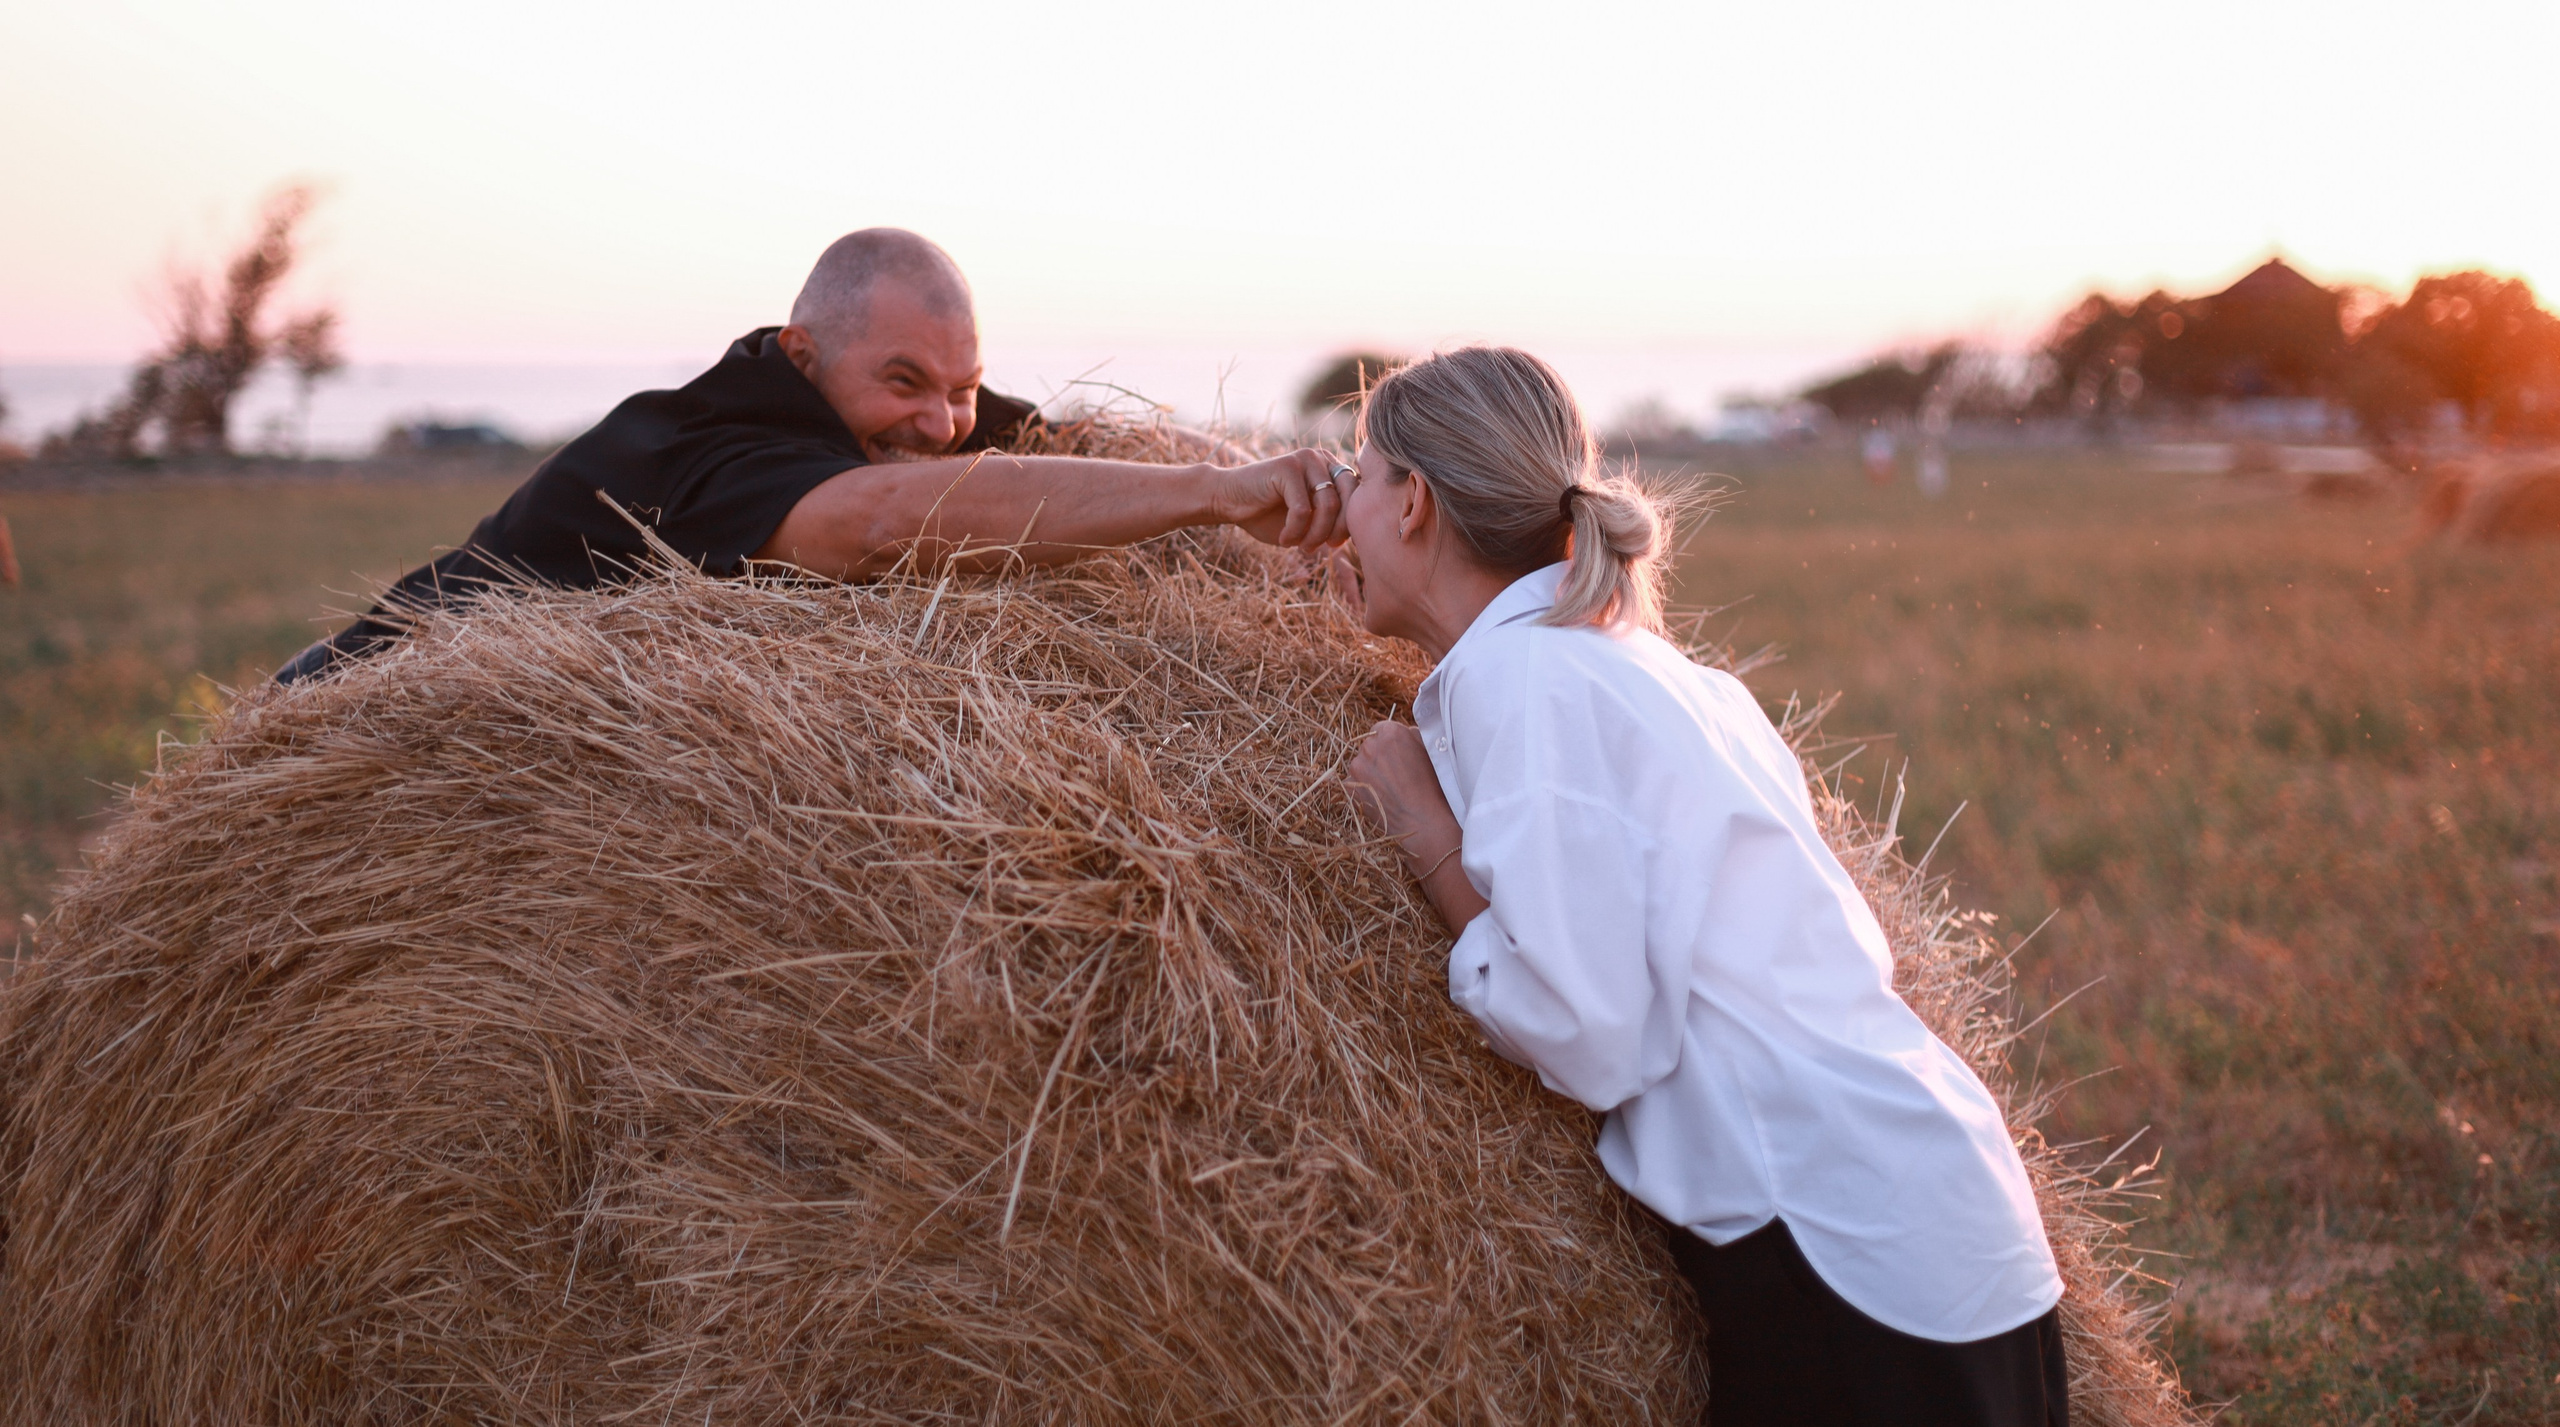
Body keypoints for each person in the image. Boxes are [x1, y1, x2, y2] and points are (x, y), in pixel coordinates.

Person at [1333, 347, 2066, 1427]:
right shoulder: (1633, 663)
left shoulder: (1523, 678)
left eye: (1355, 475)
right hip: (1936, 1218)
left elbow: (1590, 1031)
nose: (1339, 506)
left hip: (1839, 1249)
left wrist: (1425, 834)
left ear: (1413, 504)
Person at [277, 228, 1347, 682]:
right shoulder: (699, 444)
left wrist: (1297, 497)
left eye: (961, 387)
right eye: (904, 384)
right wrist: (1211, 496)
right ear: (802, 355)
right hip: (360, 707)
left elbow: (1080, 443)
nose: (941, 426)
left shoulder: (923, 405)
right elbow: (880, 527)